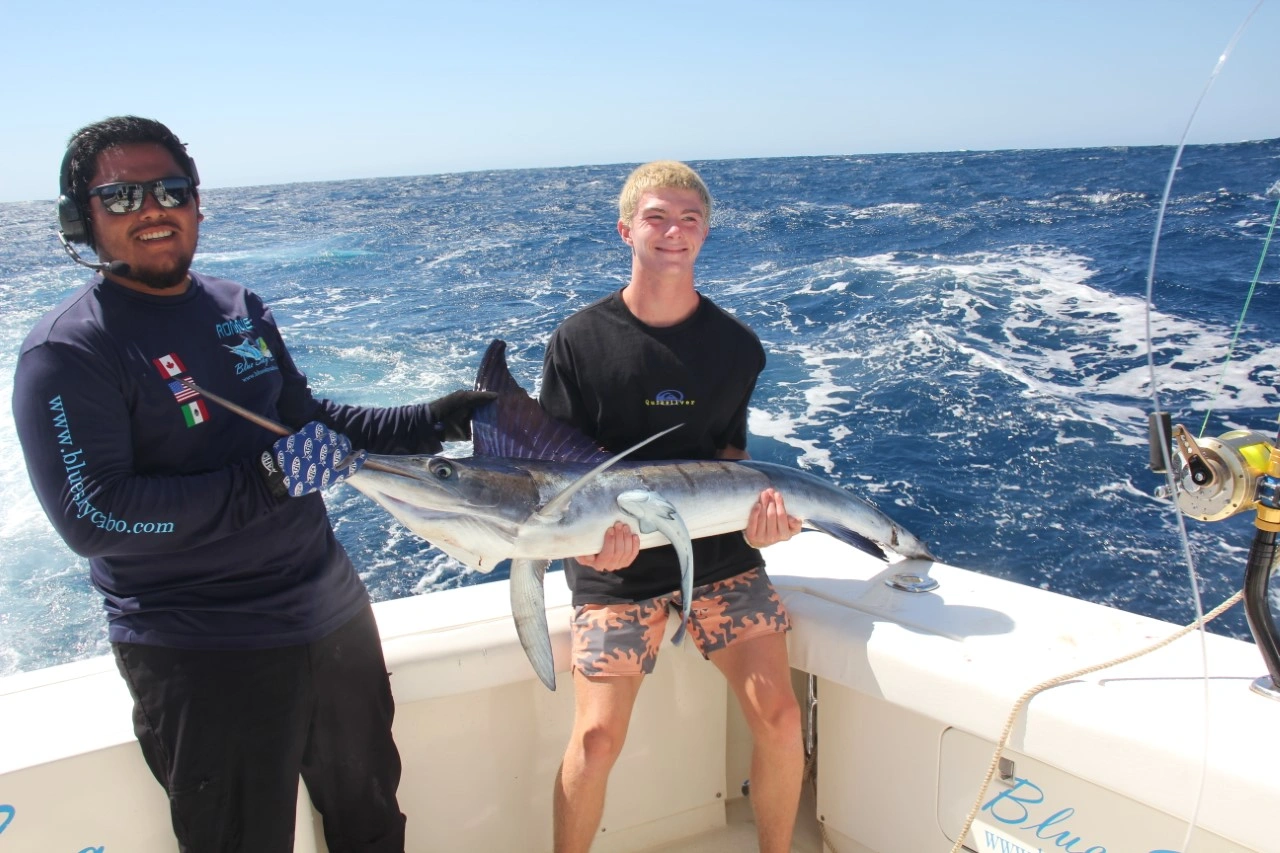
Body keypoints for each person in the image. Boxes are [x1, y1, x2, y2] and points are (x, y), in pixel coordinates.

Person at [11, 115, 493, 853]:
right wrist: (263, 483)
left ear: (197, 203)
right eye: (122, 195)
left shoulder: (240, 307)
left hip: (330, 619)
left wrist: (430, 419)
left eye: (171, 188)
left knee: (371, 824)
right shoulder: (68, 351)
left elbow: (304, 422)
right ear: (82, 219)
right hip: (204, 651)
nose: (152, 208)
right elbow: (95, 517)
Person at [539, 161, 805, 853]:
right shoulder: (577, 341)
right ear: (626, 228)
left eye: (689, 219)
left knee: (778, 716)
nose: (673, 231)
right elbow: (554, 479)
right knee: (596, 740)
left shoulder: (738, 347)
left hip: (718, 554)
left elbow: (731, 461)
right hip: (615, 558)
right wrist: (583, 546)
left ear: (706, 234)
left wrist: (764, 522)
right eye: (657, 216)